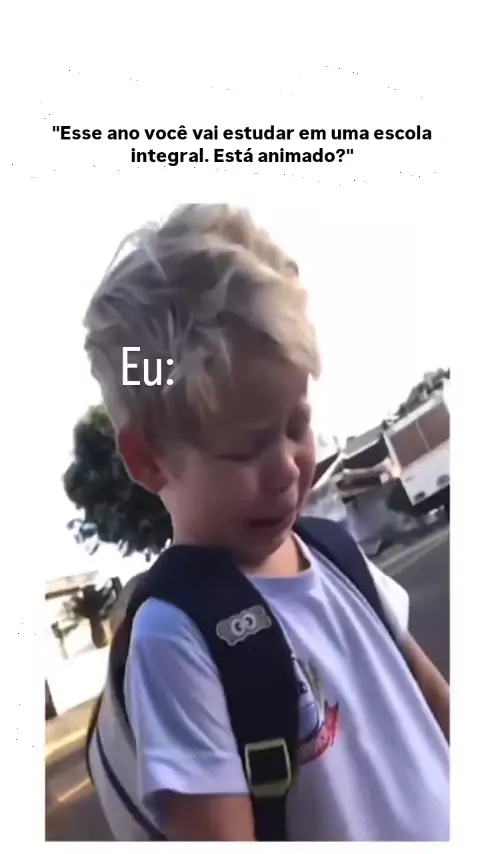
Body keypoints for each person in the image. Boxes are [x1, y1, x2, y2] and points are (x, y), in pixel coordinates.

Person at [83, 204, 449, 841]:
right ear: (150, 459)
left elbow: (438, 712)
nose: (285, 468)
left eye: (296, 424)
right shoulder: (176, 640)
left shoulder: (336, 555)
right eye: (245, 448)